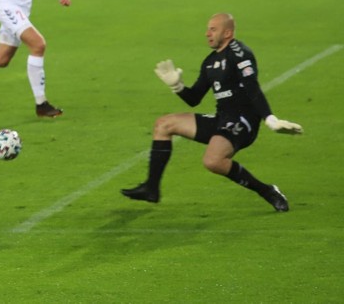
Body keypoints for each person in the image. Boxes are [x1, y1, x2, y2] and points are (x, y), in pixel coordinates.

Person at [121, 13, 303, 212]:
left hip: (243, 121)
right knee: (163, 124)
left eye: (213, 29)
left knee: (213, 161)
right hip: (222, 119)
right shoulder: (210, 61)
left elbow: (252, 88)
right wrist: (177, 86)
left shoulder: (240, 54)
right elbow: (194, 99)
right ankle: (151, 188)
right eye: (208, 29)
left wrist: (270, 118)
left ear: (228, 32)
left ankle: (267, 191)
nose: (207, 34)